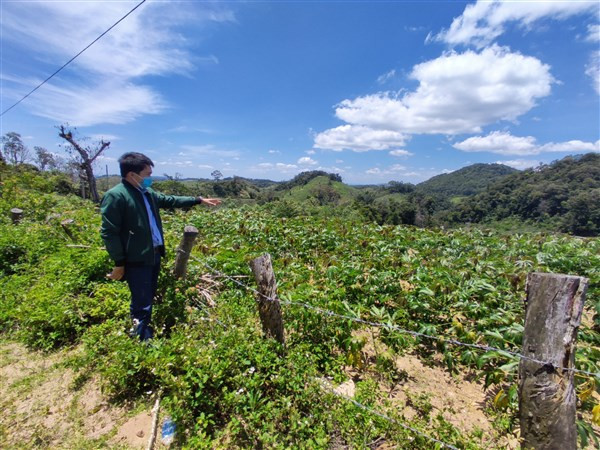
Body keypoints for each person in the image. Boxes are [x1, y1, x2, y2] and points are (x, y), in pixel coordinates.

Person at [100, 152, 220, 341]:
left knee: (147, 296)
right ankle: (142, 343)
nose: (150, 179)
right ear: (132, 175)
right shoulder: (116, 196)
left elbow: (170, 200)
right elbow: (109, 232)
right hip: (136, 258)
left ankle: (143, 334)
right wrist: (119, 262)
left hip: (153, 254)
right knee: (142, 302)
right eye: (147, 174)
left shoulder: (146, 193)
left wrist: (197, 200)